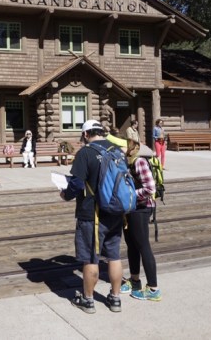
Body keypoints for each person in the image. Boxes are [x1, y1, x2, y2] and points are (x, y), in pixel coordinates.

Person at [60, 119, 125, 314]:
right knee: (114, 256)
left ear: (86, 134)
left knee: (90, 258)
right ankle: (115, 299)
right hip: (115, 211)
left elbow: (77, 184)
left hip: (91, 213)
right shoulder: (116, 150)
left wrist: (65, 194)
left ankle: (88, 300)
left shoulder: (86, 152)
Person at [121, 139, 162, 301]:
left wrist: (129, 195)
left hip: (142, 208)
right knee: (132, 245)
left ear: (129, 148)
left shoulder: (139, 162)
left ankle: (153, 288)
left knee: (143, 245)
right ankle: (135, 280)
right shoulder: (127, 162)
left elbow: (150, 188)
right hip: (131, 207)